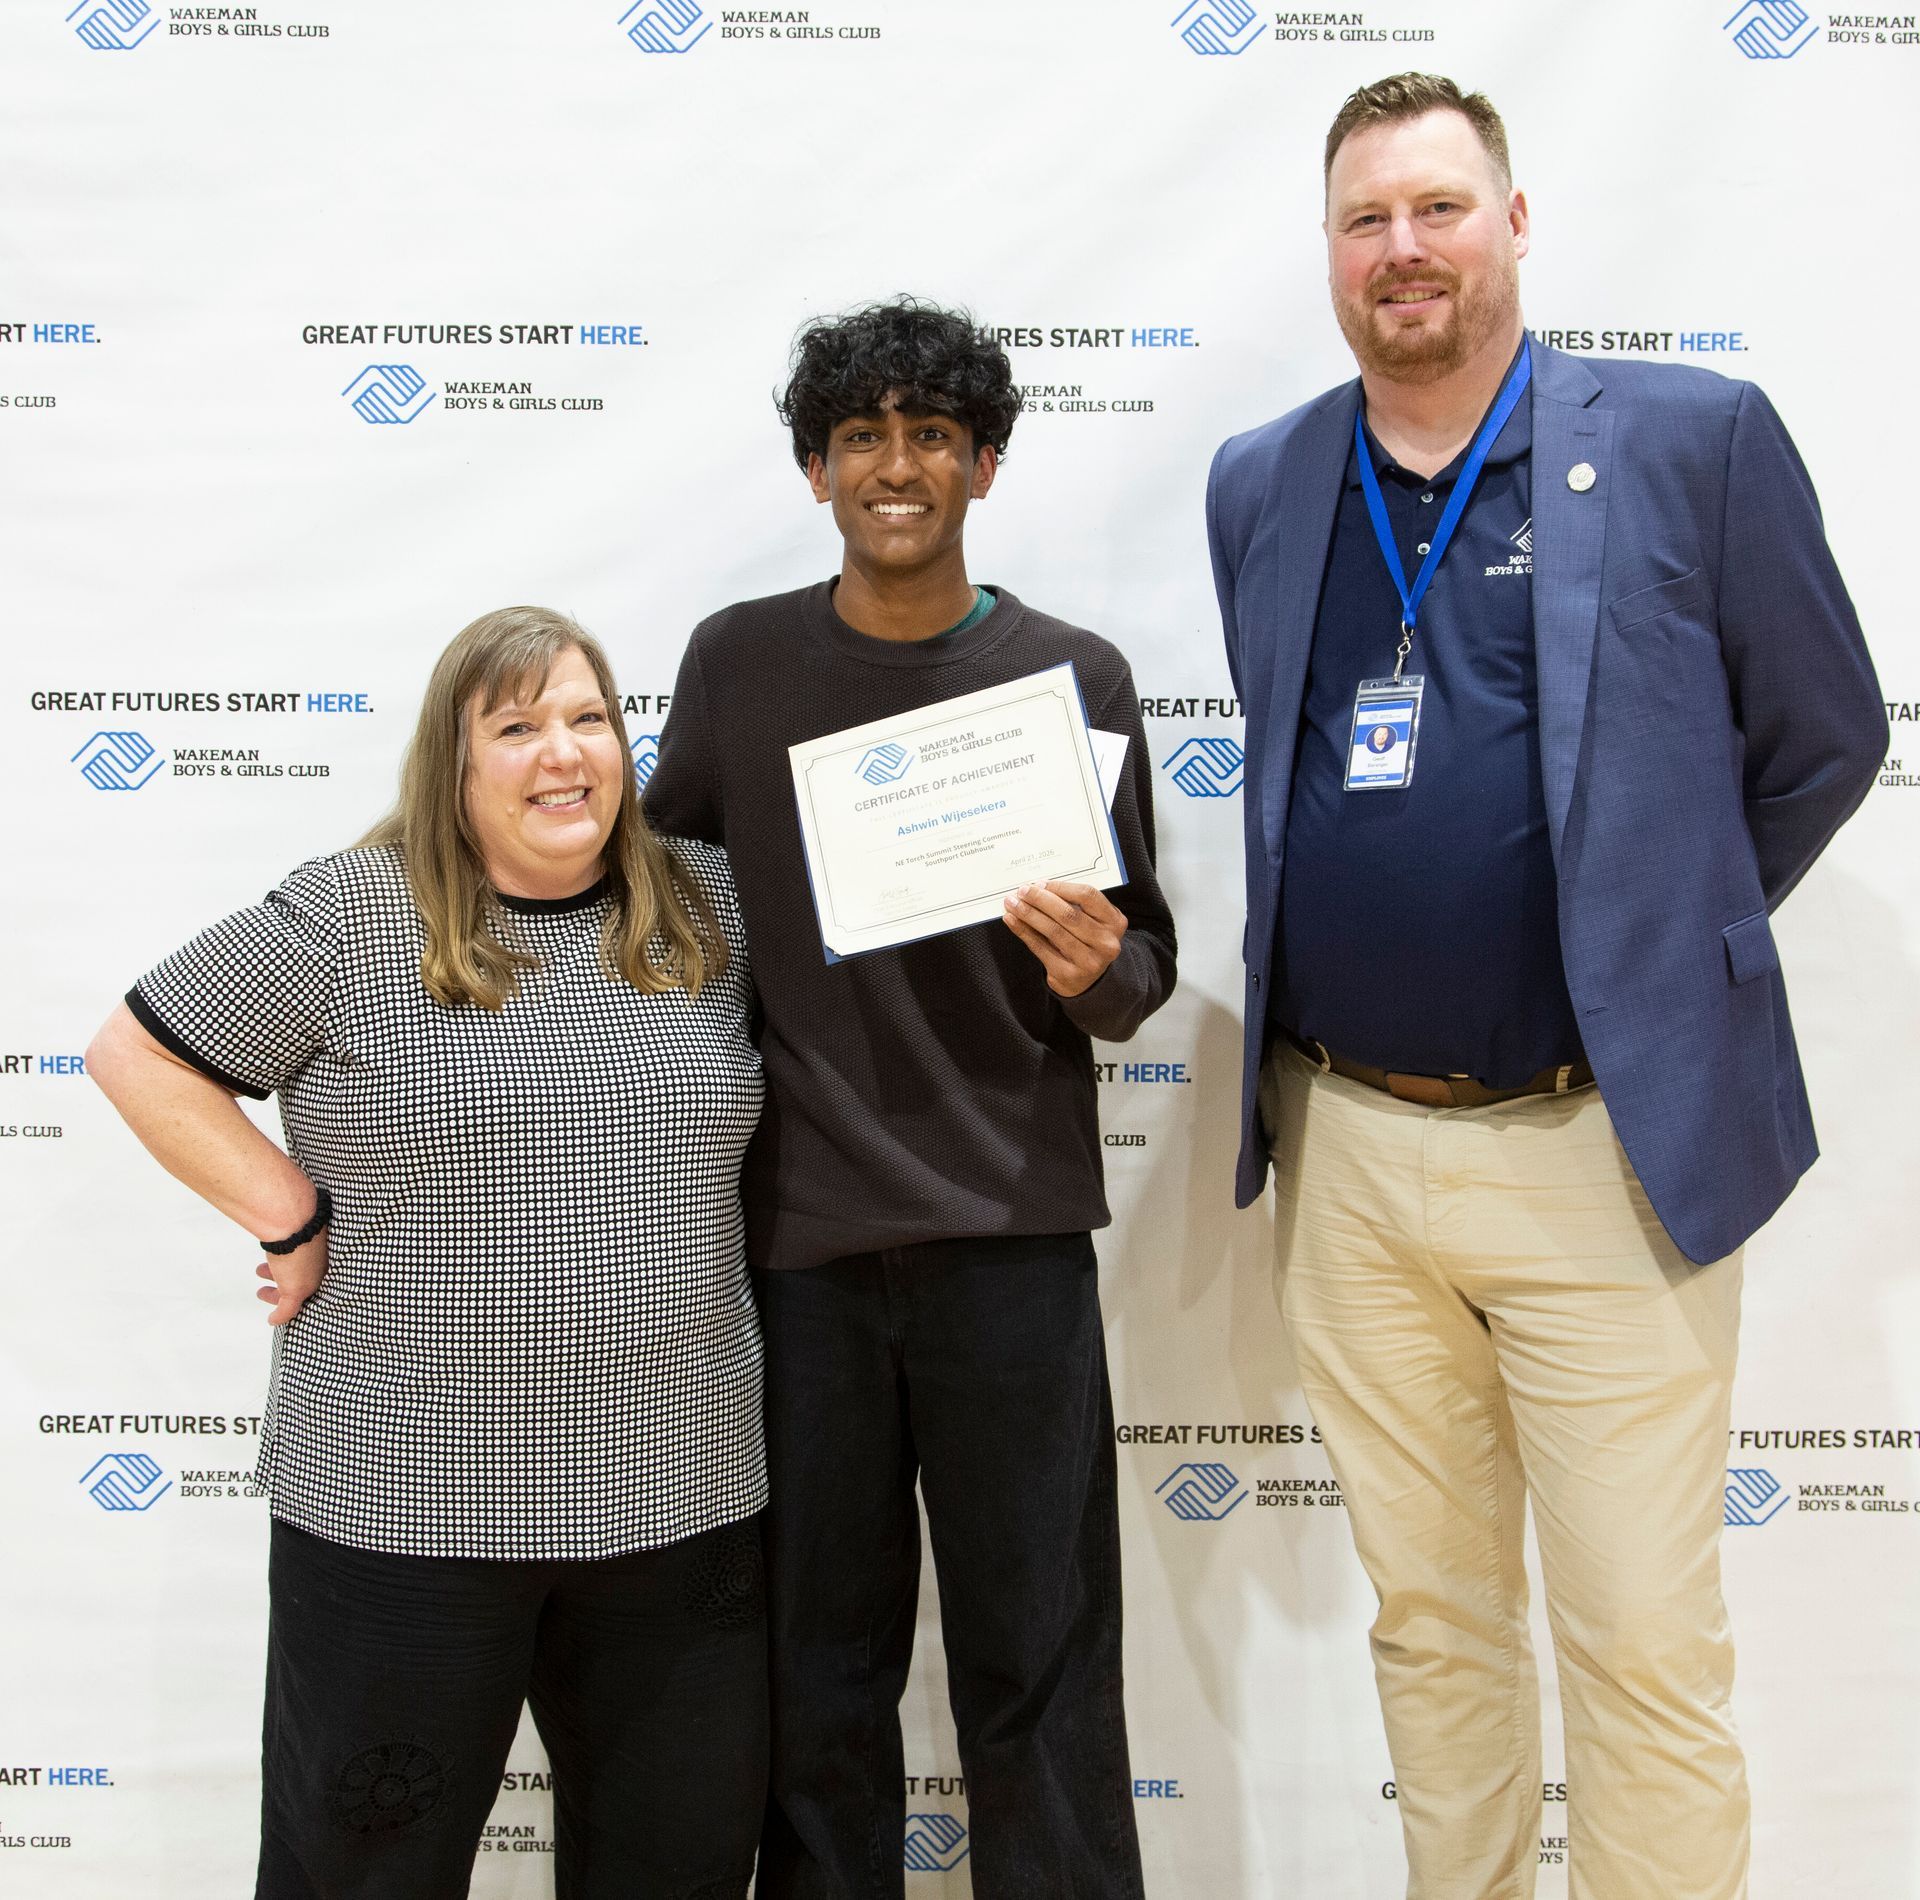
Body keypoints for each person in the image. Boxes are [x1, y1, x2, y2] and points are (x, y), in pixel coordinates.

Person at [1206, 73, 1885, 1900]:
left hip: (1608, 1151)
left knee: (1643, 1646)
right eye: (1366, 220)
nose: (1402, 249)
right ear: (1329, 252)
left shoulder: (1691, 440)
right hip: (1351, 1154)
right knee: (1431, 1632)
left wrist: (1656, 945)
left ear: (1514, 222)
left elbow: (1823, 739)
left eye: (1438, 207)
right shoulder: (1264, 478)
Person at [86, 607, 770, 1900]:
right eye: (515, 727)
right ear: (450, 765)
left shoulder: (708, 903)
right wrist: (289, 1212)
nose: (563, 753)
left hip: (682, 1502)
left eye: (589, 718)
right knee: (362, 1874)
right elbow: (138, 1054)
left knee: (676, 1871)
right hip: (403, 1506)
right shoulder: (350, 916)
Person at [645, 298, 1174, 1899]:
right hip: (801, 1251)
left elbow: (1139, 971)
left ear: (983, 465)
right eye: (861, 436)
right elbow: (662, 916)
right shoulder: (737, 664)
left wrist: (1099, 970)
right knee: (816, 1666)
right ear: (815, 470)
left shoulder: (1073, 679)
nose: (896, 465)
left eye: (932, 434)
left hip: (1012, 1241)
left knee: (1044, 1656)